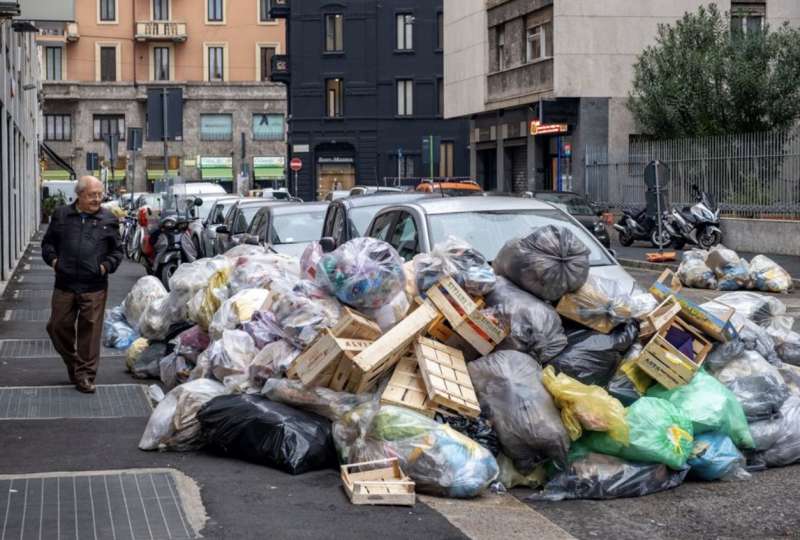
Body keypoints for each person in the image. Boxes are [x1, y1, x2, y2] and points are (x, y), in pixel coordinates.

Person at [41, 176, 124, 393]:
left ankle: (85, 376)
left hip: (94, 285)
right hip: (65, 283)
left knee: (90, 333)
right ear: (79, 195)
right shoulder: (61, 215)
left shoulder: (108, 219)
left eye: (99, 194)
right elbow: (48, 244)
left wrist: (105, 267)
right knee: (56, 327)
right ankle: (76, 364)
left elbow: (117, 251)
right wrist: (54, 261)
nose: (97, 199)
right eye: (92, 195)